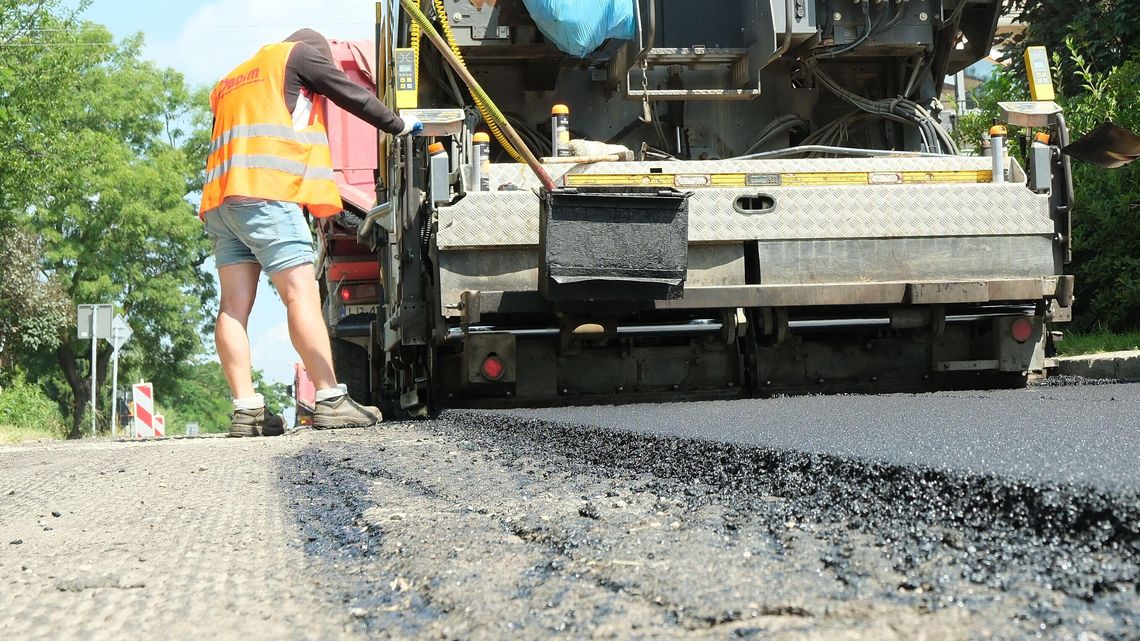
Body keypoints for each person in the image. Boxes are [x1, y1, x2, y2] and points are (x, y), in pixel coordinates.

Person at [199, 29, 421, 437]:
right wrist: (399, 124)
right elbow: (349, 94)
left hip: (221, 202)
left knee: (232, 307)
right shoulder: (299, 56)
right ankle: (330, 399)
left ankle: (247, 410)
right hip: (265, 194)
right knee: (300, 294)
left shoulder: (232, 79)